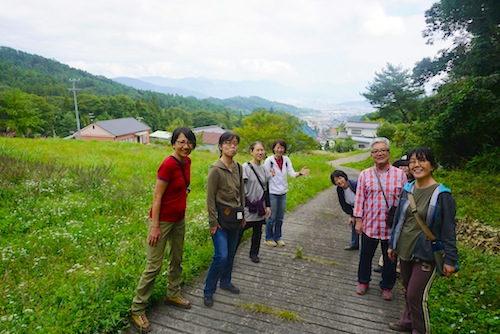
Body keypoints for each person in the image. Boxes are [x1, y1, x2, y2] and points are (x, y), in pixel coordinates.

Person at [130, 127, 196, 333]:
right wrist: (155, 227)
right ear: (174, 143)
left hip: (179, 219)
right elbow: (157, 197)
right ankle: (137, 308)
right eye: (181, 142)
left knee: (177, 258)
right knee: (153, 266)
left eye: (189, 142)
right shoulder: (168, 164)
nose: (186, 146)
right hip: (163, 222)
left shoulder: (188, 162)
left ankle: (173, 293)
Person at [388, 147, 458, 333]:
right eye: (412, 161)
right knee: (407, 289)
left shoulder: (442, 194)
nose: (416, 165)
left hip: (426, 252)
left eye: (422, 160)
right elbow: (398, 220)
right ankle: (407, 321)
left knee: (415, 295)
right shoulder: (408, 189)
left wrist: (450, 259)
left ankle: (420, 330)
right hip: (405, 249)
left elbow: (449, 229)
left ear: (432, 165)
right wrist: (392, 245)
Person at [354, 137, 407, 301]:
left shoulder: (400, 175)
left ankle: (387, 286)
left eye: (383, 150)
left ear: (389, 153)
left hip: (392, 227)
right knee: (365, 255)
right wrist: (358, 220)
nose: (380, 154)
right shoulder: (365, 175)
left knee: (390, 258)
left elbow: (405, 200)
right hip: (370, 224)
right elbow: (359, 199)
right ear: (371, 155)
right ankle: (363, 281)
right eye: (376, 151)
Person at [203, 131, 245, 307]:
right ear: (220, 146)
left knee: (231, 252)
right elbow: (209, 198)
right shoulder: (215, 170)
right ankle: (208, 290)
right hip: (220, 219)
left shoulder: (239, 167)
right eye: (228, 143)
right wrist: (213, 222)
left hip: (235, 217)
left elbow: (241, 192)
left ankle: (226, 282)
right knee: (221, 255)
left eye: (235, 143)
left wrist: (243, 214)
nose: (232, 146)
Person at [263, 139, 310, 247]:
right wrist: (270, 175)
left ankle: (278, 237)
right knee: (272, 217)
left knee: (280, 217)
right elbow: (265, 177)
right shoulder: (269, 161)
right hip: (272, 193)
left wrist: (300, 173)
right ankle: (268, 238)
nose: (279, 150)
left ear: (284, 149)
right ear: (274, 148)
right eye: (277, 147)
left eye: (282, 147)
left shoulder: (286, 160)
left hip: (283, 192)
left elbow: (292, 174)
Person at [374, 156, 414, 273]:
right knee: (390, 240)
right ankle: (383, 263)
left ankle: (397, 267)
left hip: (408, 216)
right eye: (401, 167)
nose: (403, 170)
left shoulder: (416, 183)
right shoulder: (394, 178)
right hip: (393, 214)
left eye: (405, 168)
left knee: (400, 241)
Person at [238, 141, 272, 263]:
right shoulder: (245, 168)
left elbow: (266, 188)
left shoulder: (264, 169)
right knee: (239, 232)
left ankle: (254, 253)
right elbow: (240, 189)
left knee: (258, 231)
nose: (260, 152)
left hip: (260, 207)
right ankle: (230, 255)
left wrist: (268, 205)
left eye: (262, 150)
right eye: (257, 150)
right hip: (247, 207)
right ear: (251, 152)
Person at [330, 170, 359, 250]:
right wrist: (352, 215)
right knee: (354, 222)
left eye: (340, 178)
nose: (339, 181)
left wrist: (355, 215)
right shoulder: (339, 190)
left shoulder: (355, 184)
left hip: (365, 206)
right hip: (355, 208)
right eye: (336, 181)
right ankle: (354, 244)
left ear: (344, 177)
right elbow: (344, 205)